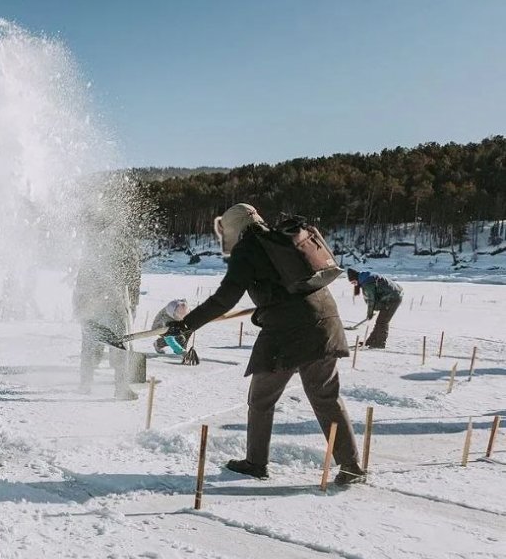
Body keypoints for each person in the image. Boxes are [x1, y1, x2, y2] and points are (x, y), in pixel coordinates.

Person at [167, 203, 365, 486]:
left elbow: (225, 299)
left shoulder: (248, 249)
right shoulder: (280, 240)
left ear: (234, 228)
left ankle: (256, 463)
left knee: (261, 399)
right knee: (325, 396)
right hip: (325, 321)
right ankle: (351, 465)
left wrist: (187, 324)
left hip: (287, 332)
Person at [75, 232, 141, 398]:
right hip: (111, 306)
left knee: (90, 344)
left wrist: (80, 307)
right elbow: (134, 280)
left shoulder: (91, 252)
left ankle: (85, 383)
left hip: (92, 306)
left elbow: (80, 283)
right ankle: (121, 388)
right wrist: (132, 306)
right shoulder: (127, 250)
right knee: (120, 345)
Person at [346, 268, 403, 349]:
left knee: (383, 322)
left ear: (356, 279)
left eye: (354, 282)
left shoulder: (367, 283)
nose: (354, 285)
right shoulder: (366, 277)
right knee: (379, 321)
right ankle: (371, 341)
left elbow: (371, 300)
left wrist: (370, 313)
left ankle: (380, 343)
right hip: (390, 296)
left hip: (393, 298)